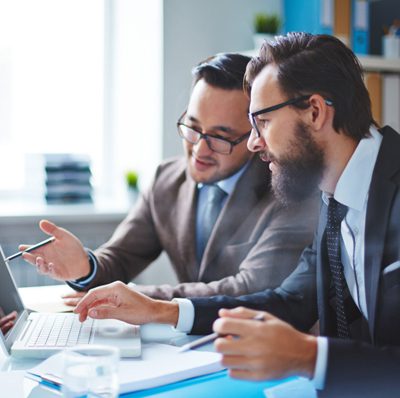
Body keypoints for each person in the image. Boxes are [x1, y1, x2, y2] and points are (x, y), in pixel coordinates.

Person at [73, 33, 400, 397]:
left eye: (262, 122)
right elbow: (289, 302)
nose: (253, 142)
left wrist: (309, 357)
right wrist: (161, 311)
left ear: (315, 112)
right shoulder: (333, 196)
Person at [21, 53, 318, 301]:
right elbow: (121, 257)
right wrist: (85, 267)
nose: (200, 149)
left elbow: (249, 288)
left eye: (220, 137)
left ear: (256, 135)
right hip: (181, 347)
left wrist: (139, 299)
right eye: (193, 127)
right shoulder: (167, 179)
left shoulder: (288, 192)